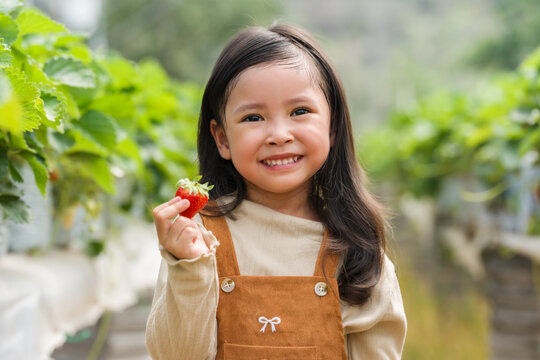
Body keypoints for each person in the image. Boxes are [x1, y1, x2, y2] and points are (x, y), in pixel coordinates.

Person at [146, 24, 407, 359]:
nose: (279, 134)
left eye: (299, 111)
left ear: (332, 126)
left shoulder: (357, 252)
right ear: (222, 138)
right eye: (254, 117)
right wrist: (189, 265)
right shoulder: (197, 238)